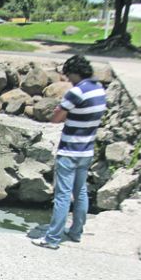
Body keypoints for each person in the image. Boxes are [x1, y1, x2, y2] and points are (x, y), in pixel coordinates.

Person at [31, 55, 106, 249]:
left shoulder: (77, 92)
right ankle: (76, 232)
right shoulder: (99, 89)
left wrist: (62, 111)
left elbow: (56, 118)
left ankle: (52, 239)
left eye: (68, 75)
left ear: (75, 73)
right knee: (80, 192)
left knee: (62, 195)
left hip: (70, 150)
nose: (68, 79)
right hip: (87, 151)